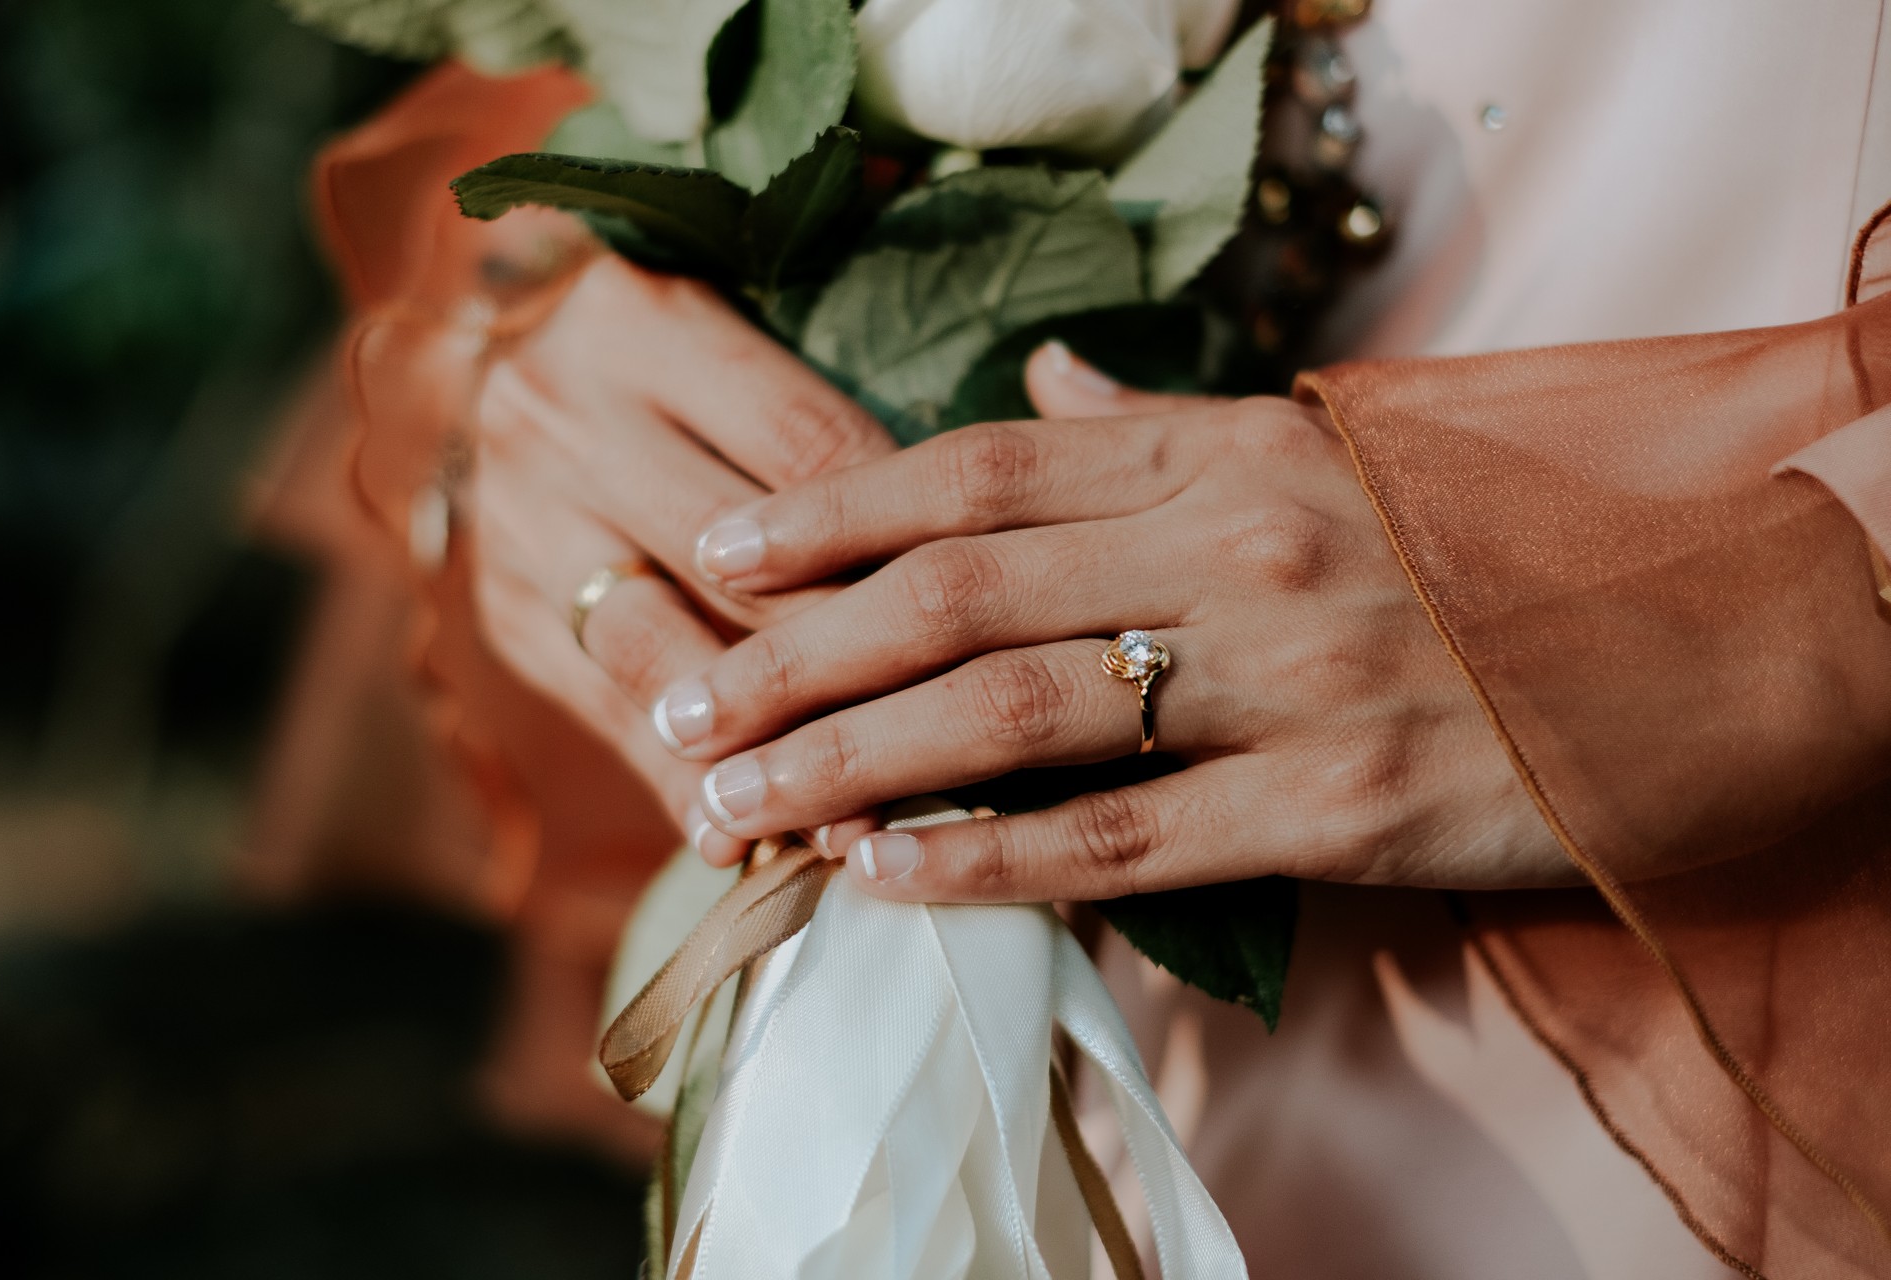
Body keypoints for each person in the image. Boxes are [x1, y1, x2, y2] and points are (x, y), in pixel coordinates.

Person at [304, 2, 1891, 1275]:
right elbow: (562, 140)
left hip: (1734, 961)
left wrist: (1808, 602)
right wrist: (539, 368)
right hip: (1071, 1036)